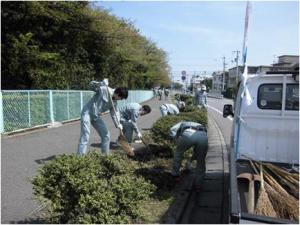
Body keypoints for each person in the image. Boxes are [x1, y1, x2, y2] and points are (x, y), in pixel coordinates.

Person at [77, 80, 128, 155]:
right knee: (85, 135)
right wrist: (100, 83)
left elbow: (114, 114)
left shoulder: (114, 103)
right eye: (121, 98)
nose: (120, 100)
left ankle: (105, 156)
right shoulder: (105, 89)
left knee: (106, 135)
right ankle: (80, 158)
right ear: (117, 94)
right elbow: (91, 86)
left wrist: (118, 124)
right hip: (87, 113)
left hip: (96, 116)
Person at [169, 121, 208, 191]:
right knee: (201, 161)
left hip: (188, 133)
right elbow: (197, 153)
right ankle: (198, 185)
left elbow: (172, 130)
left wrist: (176, 140)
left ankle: (175, 175)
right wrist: (191, 160)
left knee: (178, 153)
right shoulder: (196, 123)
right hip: (203, 136)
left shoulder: (180, 123)